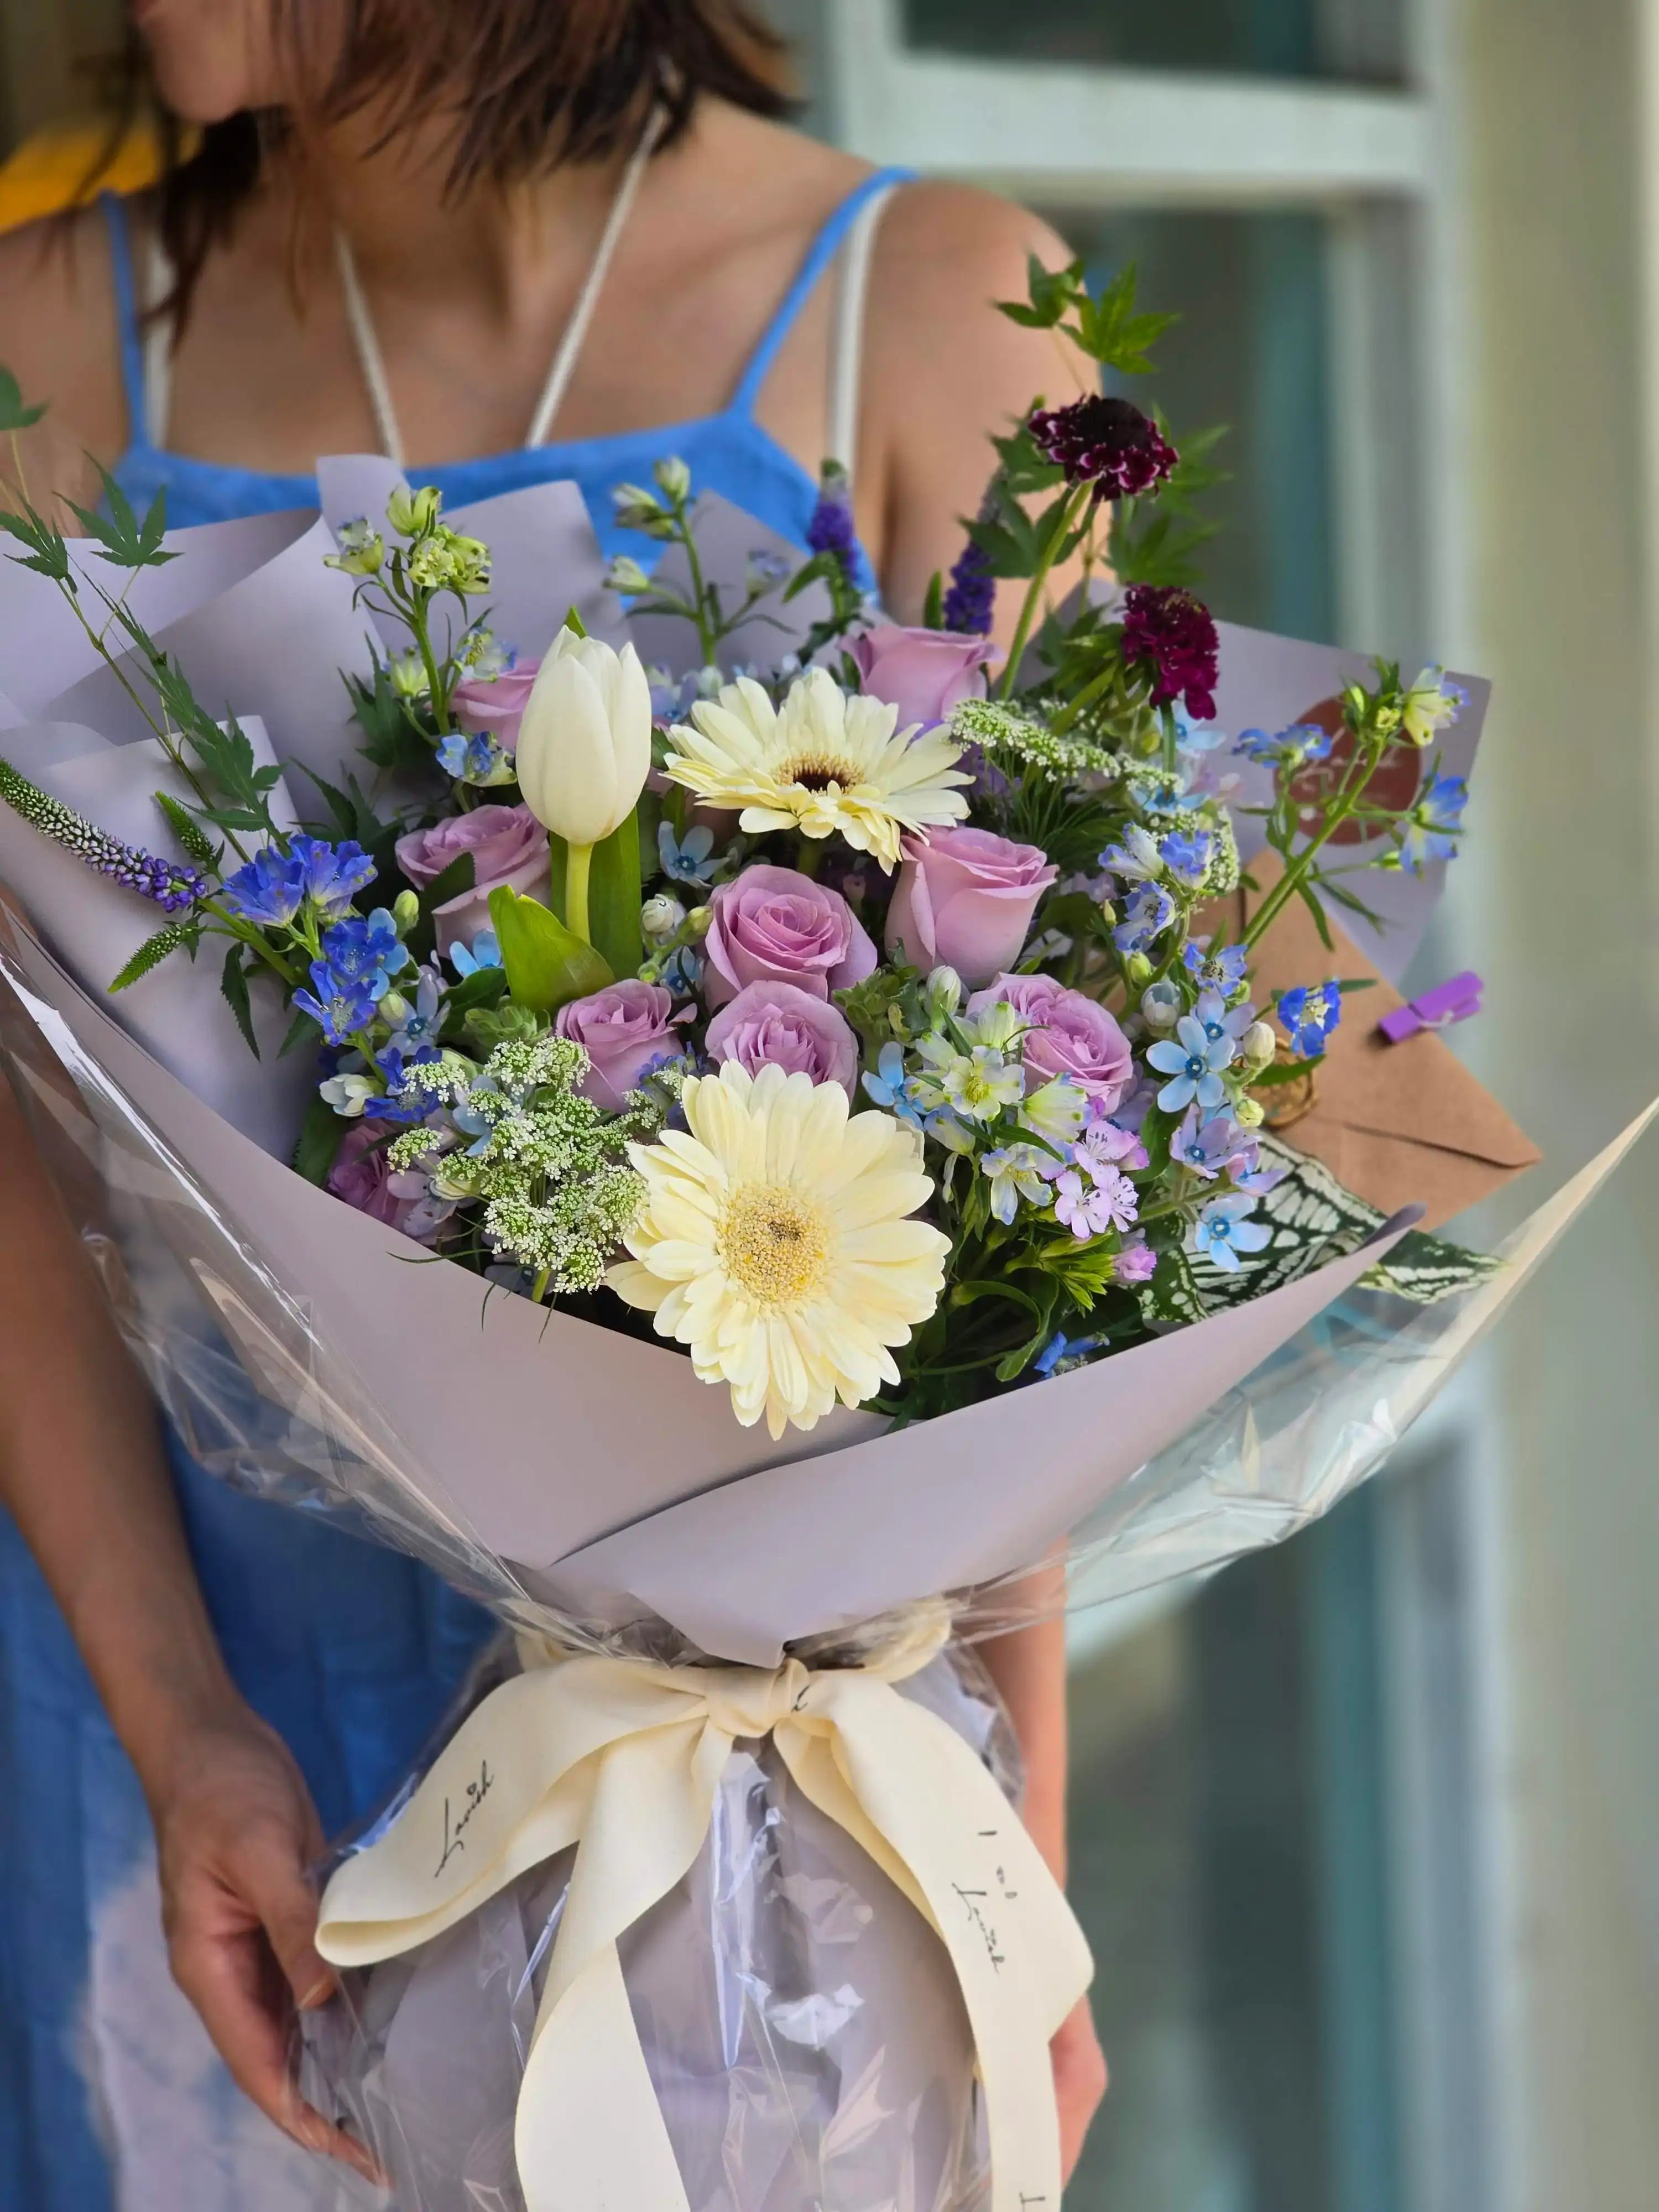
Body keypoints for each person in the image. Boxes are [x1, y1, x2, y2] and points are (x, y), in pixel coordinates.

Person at [0, 3, 1105, 2203]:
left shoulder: (940, 311)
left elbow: (1047, 1193)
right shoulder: (42, 338)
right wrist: (179, 1720)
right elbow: (17, 1132)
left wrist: (1015, 1876)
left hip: (781, 1784)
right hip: (185, 1691)